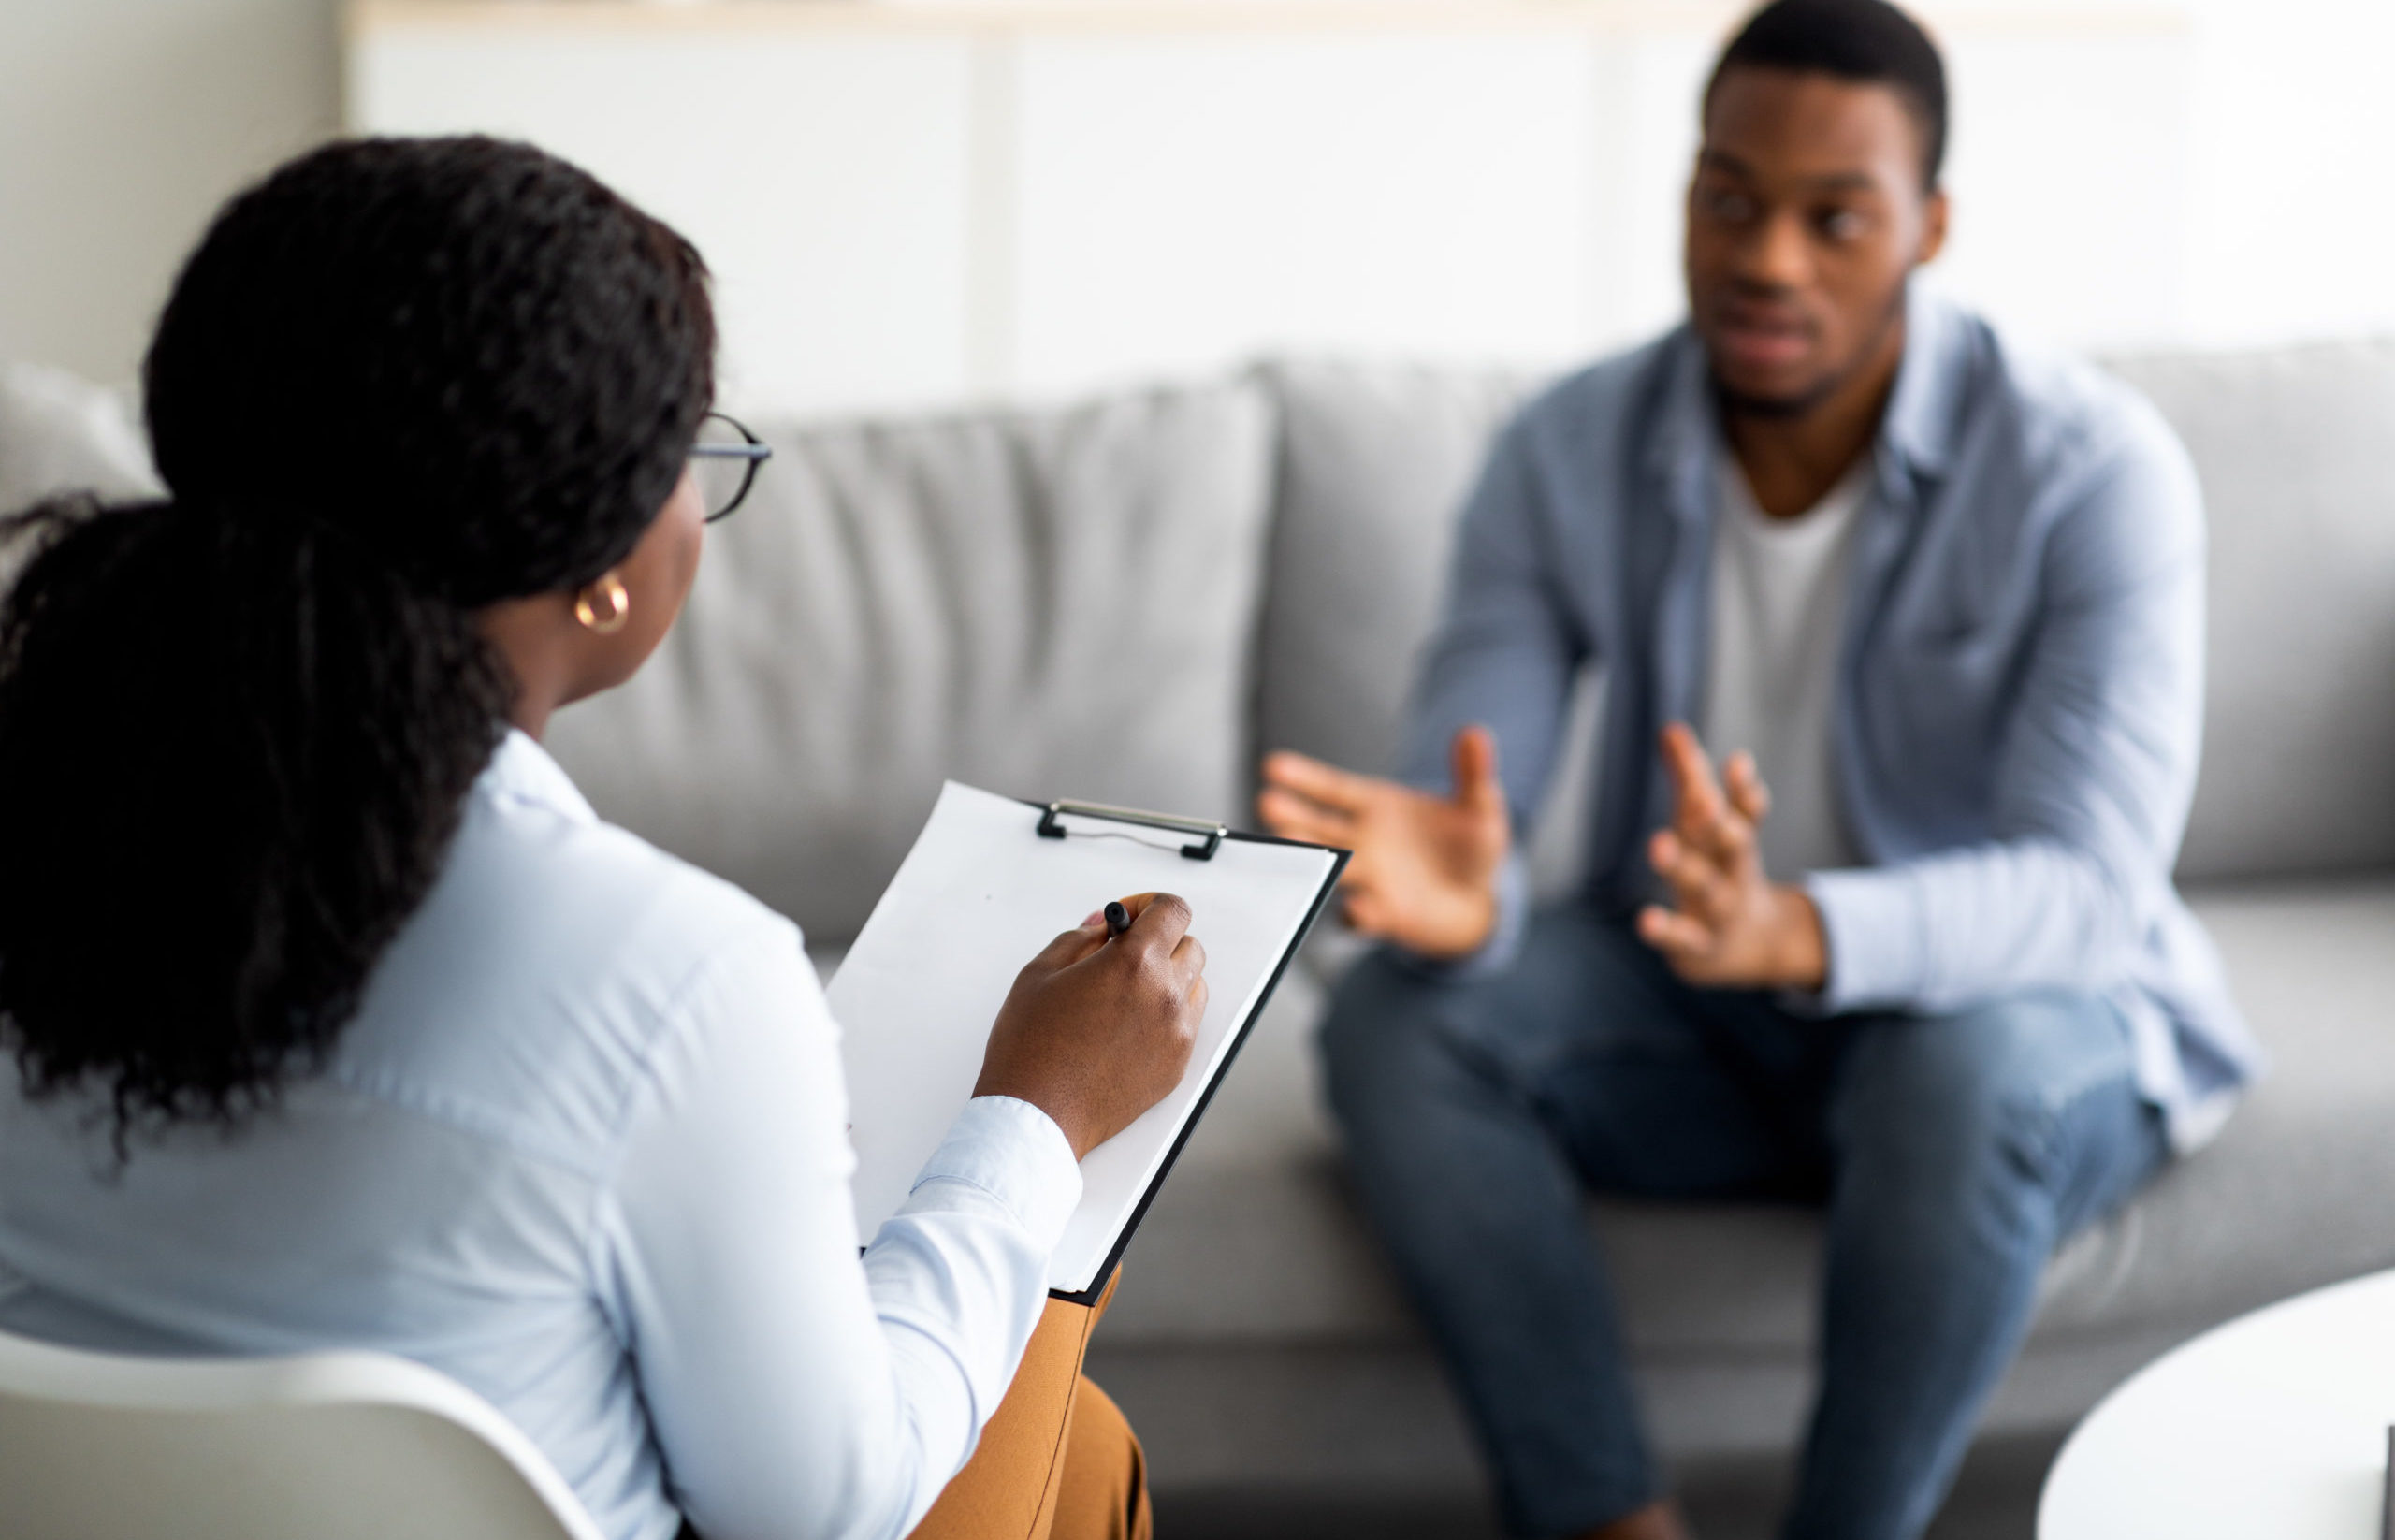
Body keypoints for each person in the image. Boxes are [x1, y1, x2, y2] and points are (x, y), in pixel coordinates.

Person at [0, 137, 1207, 1540]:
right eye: (691, 452)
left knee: (1075, 1436)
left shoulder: (46, 840)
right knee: (1069, 1429)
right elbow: (823, 1505)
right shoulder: (669, 980)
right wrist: (1037, 1117)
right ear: (597, 572)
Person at [1255, 2, 2260, 1537]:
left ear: (1928, 227)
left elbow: (2087, 893)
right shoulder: (1563, 450)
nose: (1769, 257)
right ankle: (1607, 1518)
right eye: (1728, 198)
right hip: (1698, 996)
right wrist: (1468, 892)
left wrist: (1798, 930)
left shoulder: (2092, 472)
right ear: (1683, 197)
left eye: (1834, 217)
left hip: (1994, 1022)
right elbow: (1471, 807)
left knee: (1957, 1069)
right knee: (1397, 1020)